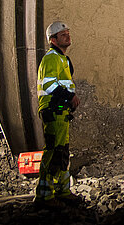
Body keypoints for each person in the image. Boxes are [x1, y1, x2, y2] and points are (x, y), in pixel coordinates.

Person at [35, 21, 80, 202]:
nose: (67, 36)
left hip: (61, 112)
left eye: (68, 33)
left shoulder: (62, 59)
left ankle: (62, 191)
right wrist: (70, 96)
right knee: (53, 151)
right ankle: (44, 195)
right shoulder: (51, 58)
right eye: (63, 34)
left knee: (62, 151)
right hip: (53, 110)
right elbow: (49, 84)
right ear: (53, 40)